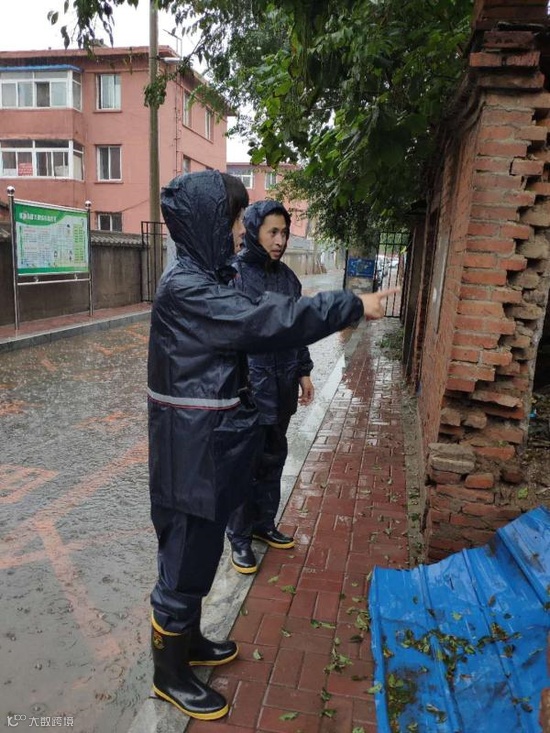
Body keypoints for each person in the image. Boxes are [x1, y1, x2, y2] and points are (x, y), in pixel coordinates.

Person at [147, 169, 398, 721]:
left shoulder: (205, 278)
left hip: (206, 448)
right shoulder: (187, 289)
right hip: (187, 454)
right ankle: (169, 674)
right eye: (234, 220)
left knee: (199, 555)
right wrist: (350, 305)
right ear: (207, 224)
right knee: (183, 563)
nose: (241, 231)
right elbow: (266, 320)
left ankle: (189, 643)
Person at [226, 200, 314, 574]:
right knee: (245, 465)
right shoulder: (233, 276)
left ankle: (264, 523)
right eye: (272, 232)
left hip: (282, 386)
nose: (280, 241)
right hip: (248, 390)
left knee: (274, 458)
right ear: (253, 232)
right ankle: (239, 537)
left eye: (284, 232)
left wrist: (304, 372)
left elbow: (298, 330)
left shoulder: (288, 279)